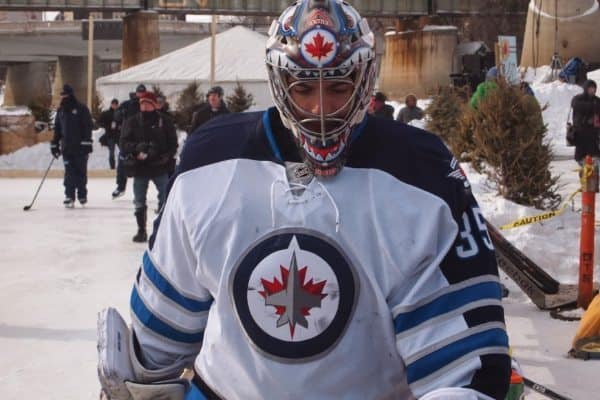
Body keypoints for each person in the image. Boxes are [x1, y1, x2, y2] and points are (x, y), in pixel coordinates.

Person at [98, 1, 510, 399]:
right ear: (280, 84)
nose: (321, 109)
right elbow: (160, 337)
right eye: (303, 88)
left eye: (337, 87)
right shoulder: (210, 160)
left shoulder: (423, 173)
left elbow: (460, 363)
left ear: (363, 81)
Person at [119, 91, 178, 243]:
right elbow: (123, 144)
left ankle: (162, 230)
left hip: (160, 166)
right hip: (140, 167)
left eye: (147, 103)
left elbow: (173, 144)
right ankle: (141, 230)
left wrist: (165, 156)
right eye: (142, 103)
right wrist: (137, 148)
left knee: (165, 198)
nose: (144, 106)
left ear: (154, 105)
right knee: (139, 200)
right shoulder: (132, 122)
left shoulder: (165, 121)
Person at [50, 84, 93, 208]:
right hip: (67, 148)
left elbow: (87, 126)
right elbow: (57, 129)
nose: (63, 97)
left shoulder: (81, 108)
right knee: (69, 173)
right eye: (62, 95)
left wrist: (87, 143)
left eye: (65, 95)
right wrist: (54, 144)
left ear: (71, 95)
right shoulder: (61, 111)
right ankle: (69, 196)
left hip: (80, 148)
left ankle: (82, 195)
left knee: (80, 172)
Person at [111, 84, 147, 199]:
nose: (140, 95)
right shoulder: (127, 104)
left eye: (143, 93)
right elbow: (116, 115)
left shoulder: (147, 104)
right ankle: (120, 187)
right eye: (139, 92)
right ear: (136, 93)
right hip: (127, 138)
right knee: (122, 163)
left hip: (142, 139)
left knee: (145, 165)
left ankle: (143, 192)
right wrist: (120, 114)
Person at [571, 79, 600, 164]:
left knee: (595, 157)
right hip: (581, 132)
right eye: (590, 88)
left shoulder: (597, 100)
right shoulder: (578, 98)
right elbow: (576, 105)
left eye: (594, 88)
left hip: (593, 133)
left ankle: (592, 173)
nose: (592, 90)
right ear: (586, 88)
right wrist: (592, 106)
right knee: (581, 157)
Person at [98, 98, 120, 170]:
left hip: (119, 135)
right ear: (111, 104)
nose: (114, 106)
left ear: (117, 105)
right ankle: (112, 167)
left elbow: (125, 122)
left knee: (123, 151)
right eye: (113, 104)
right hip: (110, 135)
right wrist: (107, 126)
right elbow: (99, 122)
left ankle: (121, 166)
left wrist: (120, 126)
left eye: (116, 104)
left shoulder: (121, 113)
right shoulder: (106, 113)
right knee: (111, 153)